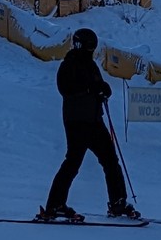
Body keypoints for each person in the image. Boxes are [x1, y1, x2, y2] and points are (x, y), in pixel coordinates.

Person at [38, 28, 137, 222]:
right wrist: (91, 89)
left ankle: (118, 203)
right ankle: (55, 205)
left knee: (110, 160)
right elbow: (66, 89)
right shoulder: (69, 65)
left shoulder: (91, 65)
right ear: (79, 45)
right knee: (73, 162)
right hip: (76, 121)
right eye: (89, 47)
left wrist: (104, 90)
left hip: (94, 120)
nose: (91, 51)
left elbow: (97, 87)